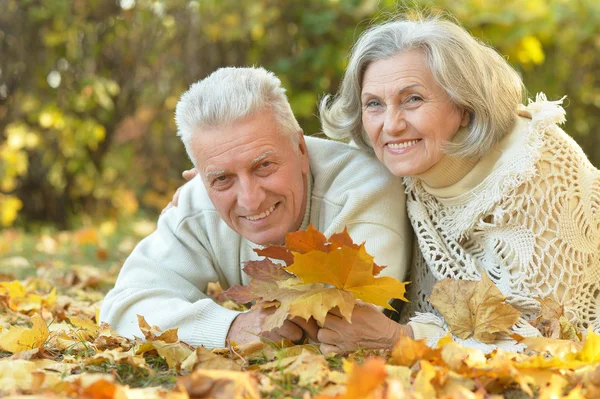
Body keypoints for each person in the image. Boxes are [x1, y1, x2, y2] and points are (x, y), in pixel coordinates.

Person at [316, 15, 600, 353]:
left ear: (465, 107)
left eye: (413, 99)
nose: (391, 125)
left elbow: (551, 344)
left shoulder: (537, 168)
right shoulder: (397, 160)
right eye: (374, 103)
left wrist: (400, 340)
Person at [100, 67, 413, 349]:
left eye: (264, 165)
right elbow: (124, 306)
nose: (250, 199)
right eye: (222, 178)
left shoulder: (364, 187)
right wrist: (230, 327)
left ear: (301, 150)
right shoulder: (198, 200)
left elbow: (347, 323)